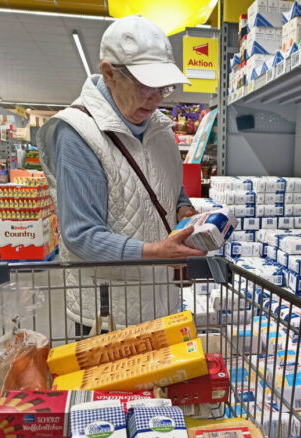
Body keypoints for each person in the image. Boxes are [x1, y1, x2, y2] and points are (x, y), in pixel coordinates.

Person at [38, 15, 206, 333]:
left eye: (163, 87)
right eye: (145, 85)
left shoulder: (161, 129)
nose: (157, 98)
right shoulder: (78, 134)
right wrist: (156, 252)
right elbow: (80, 236)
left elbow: (172, 190)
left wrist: (185, 211)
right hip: (107, 313)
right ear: (109, 74)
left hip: (162, 301)